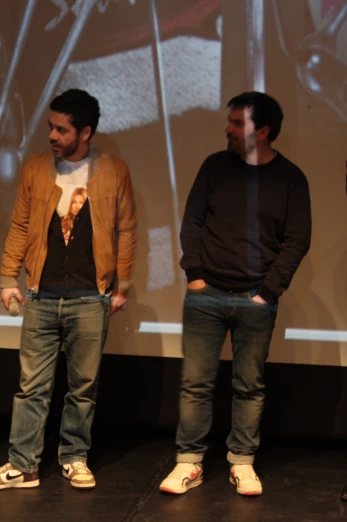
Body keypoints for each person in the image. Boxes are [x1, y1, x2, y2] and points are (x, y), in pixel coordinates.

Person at [0, 88, 137, 491]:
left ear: (85, 132)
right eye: (50, 127)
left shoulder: (114, 170)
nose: (51, 135)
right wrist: (8, 277)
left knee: (83, 387)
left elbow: (127, 229)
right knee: (31, 386)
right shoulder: (35, 169)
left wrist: (122, 285)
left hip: (89, 295)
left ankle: (74, 457)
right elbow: (19, 225)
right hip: (42, 294)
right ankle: (23, 465)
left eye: (60, 129)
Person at [159, 92, 311, 496]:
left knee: (249, 385)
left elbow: (297, 240)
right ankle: (188, 462)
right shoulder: (214, 166)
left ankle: (241, 461)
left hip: (255, 299)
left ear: (261, 132)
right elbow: (191, 222)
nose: (227, 129)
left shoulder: (290, 178)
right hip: (206, 295)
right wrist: (194, 276)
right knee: (195, 383)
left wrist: (268, 291)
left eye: (236, 123)